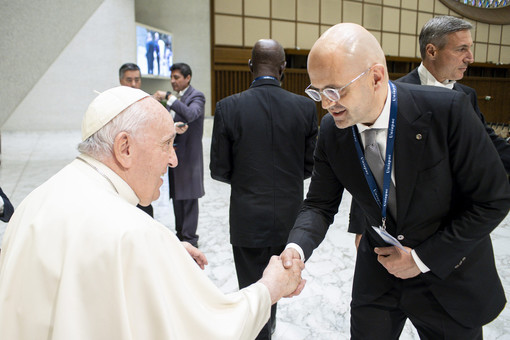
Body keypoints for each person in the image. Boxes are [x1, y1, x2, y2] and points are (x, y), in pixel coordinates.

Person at [0, 86, 305, 340]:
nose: (173, 160)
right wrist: (270, 288)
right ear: (125, 148)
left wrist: (162, 252)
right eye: (167, 144)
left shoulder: (38, 198)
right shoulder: (135, 233)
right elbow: (208, 331)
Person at [280, 23, 510, 339]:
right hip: (379, 269)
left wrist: (421, 259)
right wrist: (296, 249)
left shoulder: (448, 111)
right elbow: (319, 204)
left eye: (335, 90)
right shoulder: (333, 132)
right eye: (317, 91)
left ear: (376, 76)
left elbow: (493, 199)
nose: (326, 102)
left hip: (447, 272)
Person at [349, 15, 510, 248]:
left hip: (455, 219)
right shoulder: (392, 95)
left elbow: (490, 144)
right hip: (406, 221)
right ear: (432, 51)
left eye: (470, 49)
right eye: (462, 49)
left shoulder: (467, 96)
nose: (470, 58)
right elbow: (373, 158)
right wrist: (360, 225)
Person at [210, 39, 318, 339]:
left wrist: (248, 180)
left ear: (249, 66)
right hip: (290, 222)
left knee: (252, 294)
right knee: (276, 291)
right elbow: (309, 167)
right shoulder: (305, 107)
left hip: (247, 219)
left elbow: (219, 169)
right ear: (283, 68)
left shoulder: (228, 107)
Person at [153, 63, 205, 247]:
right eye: (172, 78)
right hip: (173, 156)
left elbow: (191, 114)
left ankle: (190, 239)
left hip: (189, 158)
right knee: (177, 197)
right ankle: (180, 235)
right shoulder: (172, 99)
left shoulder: (196, 96)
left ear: (188, 77)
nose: (173, 81)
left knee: (189, 198)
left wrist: (169, 98)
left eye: (177, 77)